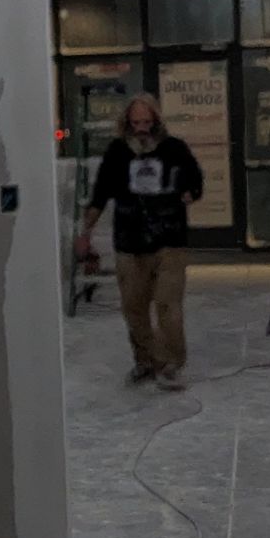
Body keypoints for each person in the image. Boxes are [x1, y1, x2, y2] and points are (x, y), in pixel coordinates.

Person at [78, 93, 204, 387]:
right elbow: (100, 195)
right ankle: (145, 360)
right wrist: (85, 233)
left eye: (147, 122)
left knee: (167, 304)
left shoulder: (175, 149)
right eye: (136, 123)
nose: (142, 128)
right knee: (133, 306)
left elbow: (195, 180)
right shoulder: (117, 153)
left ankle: (171, 362)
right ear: (127, 123)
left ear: (156, 122)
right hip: (129, 241)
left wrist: (189, 193)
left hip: (169, 238)